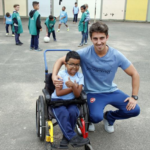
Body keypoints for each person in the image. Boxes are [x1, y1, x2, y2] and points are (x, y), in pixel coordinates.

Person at [52, 21, 140, 134]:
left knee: (134, 110)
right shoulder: (84, 53)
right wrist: (54, 77)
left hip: (111, 91)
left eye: (102, 38)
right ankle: (91, 118)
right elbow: (60, 60)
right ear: (91, 38)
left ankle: (110, 117)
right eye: (95, 38)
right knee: (95, 117)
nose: (99, 42)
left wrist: (134, 97)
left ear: (107, 37)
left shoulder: (116, 55)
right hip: (92, 93)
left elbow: (135, 74)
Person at [51, 51, 89, 147]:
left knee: (73, 112)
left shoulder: (80, 76)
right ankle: (72, 137)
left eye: (77, 65)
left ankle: (65, 138)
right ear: (65, 63)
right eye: (71, 64)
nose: (74, 67)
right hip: (58, 101)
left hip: (72, 101)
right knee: (64, 113)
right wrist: (72, 87)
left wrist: (73, 86)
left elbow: (77, 95)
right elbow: (59, 93)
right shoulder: (61, 74)